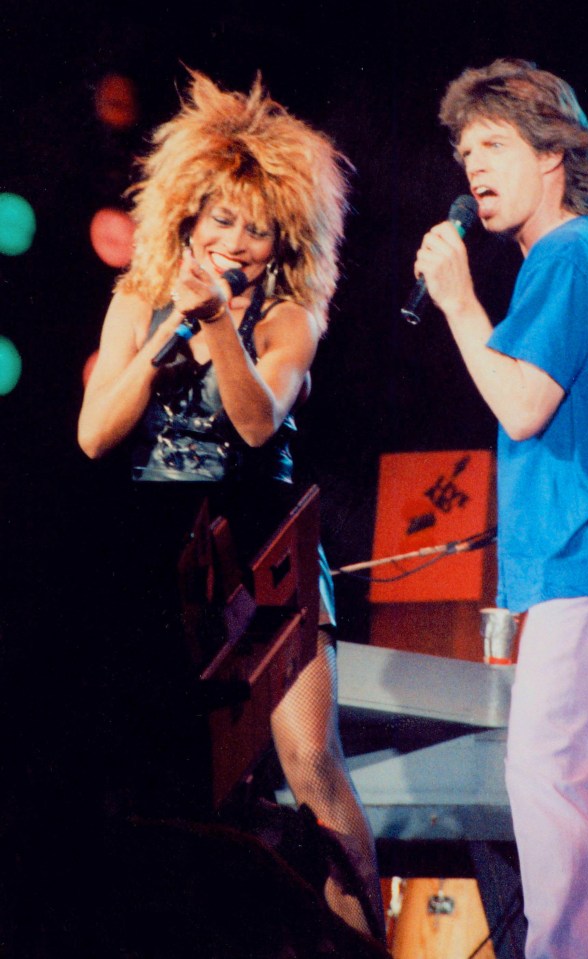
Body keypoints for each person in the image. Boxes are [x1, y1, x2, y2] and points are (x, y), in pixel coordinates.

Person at [77, 70, 384, 941]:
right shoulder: (136, 302)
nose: (239, 243)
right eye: (223, 221)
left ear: (284, 237)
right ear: (187, 215)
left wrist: (216, 323)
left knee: (308, 764)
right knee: (176, 779)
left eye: (257, 229)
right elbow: (96, 436)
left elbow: (254, 424)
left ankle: (365, 937)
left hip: (267, 546)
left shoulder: (289, 319)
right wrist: (166, 332)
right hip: (167, 551)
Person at [413, 58, 588, 958]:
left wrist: (461, 304)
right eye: (465, 154)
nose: (474, 170)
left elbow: (522, 402)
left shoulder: (566, 257)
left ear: (552, 156)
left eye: (493, 146)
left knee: (549, 793)